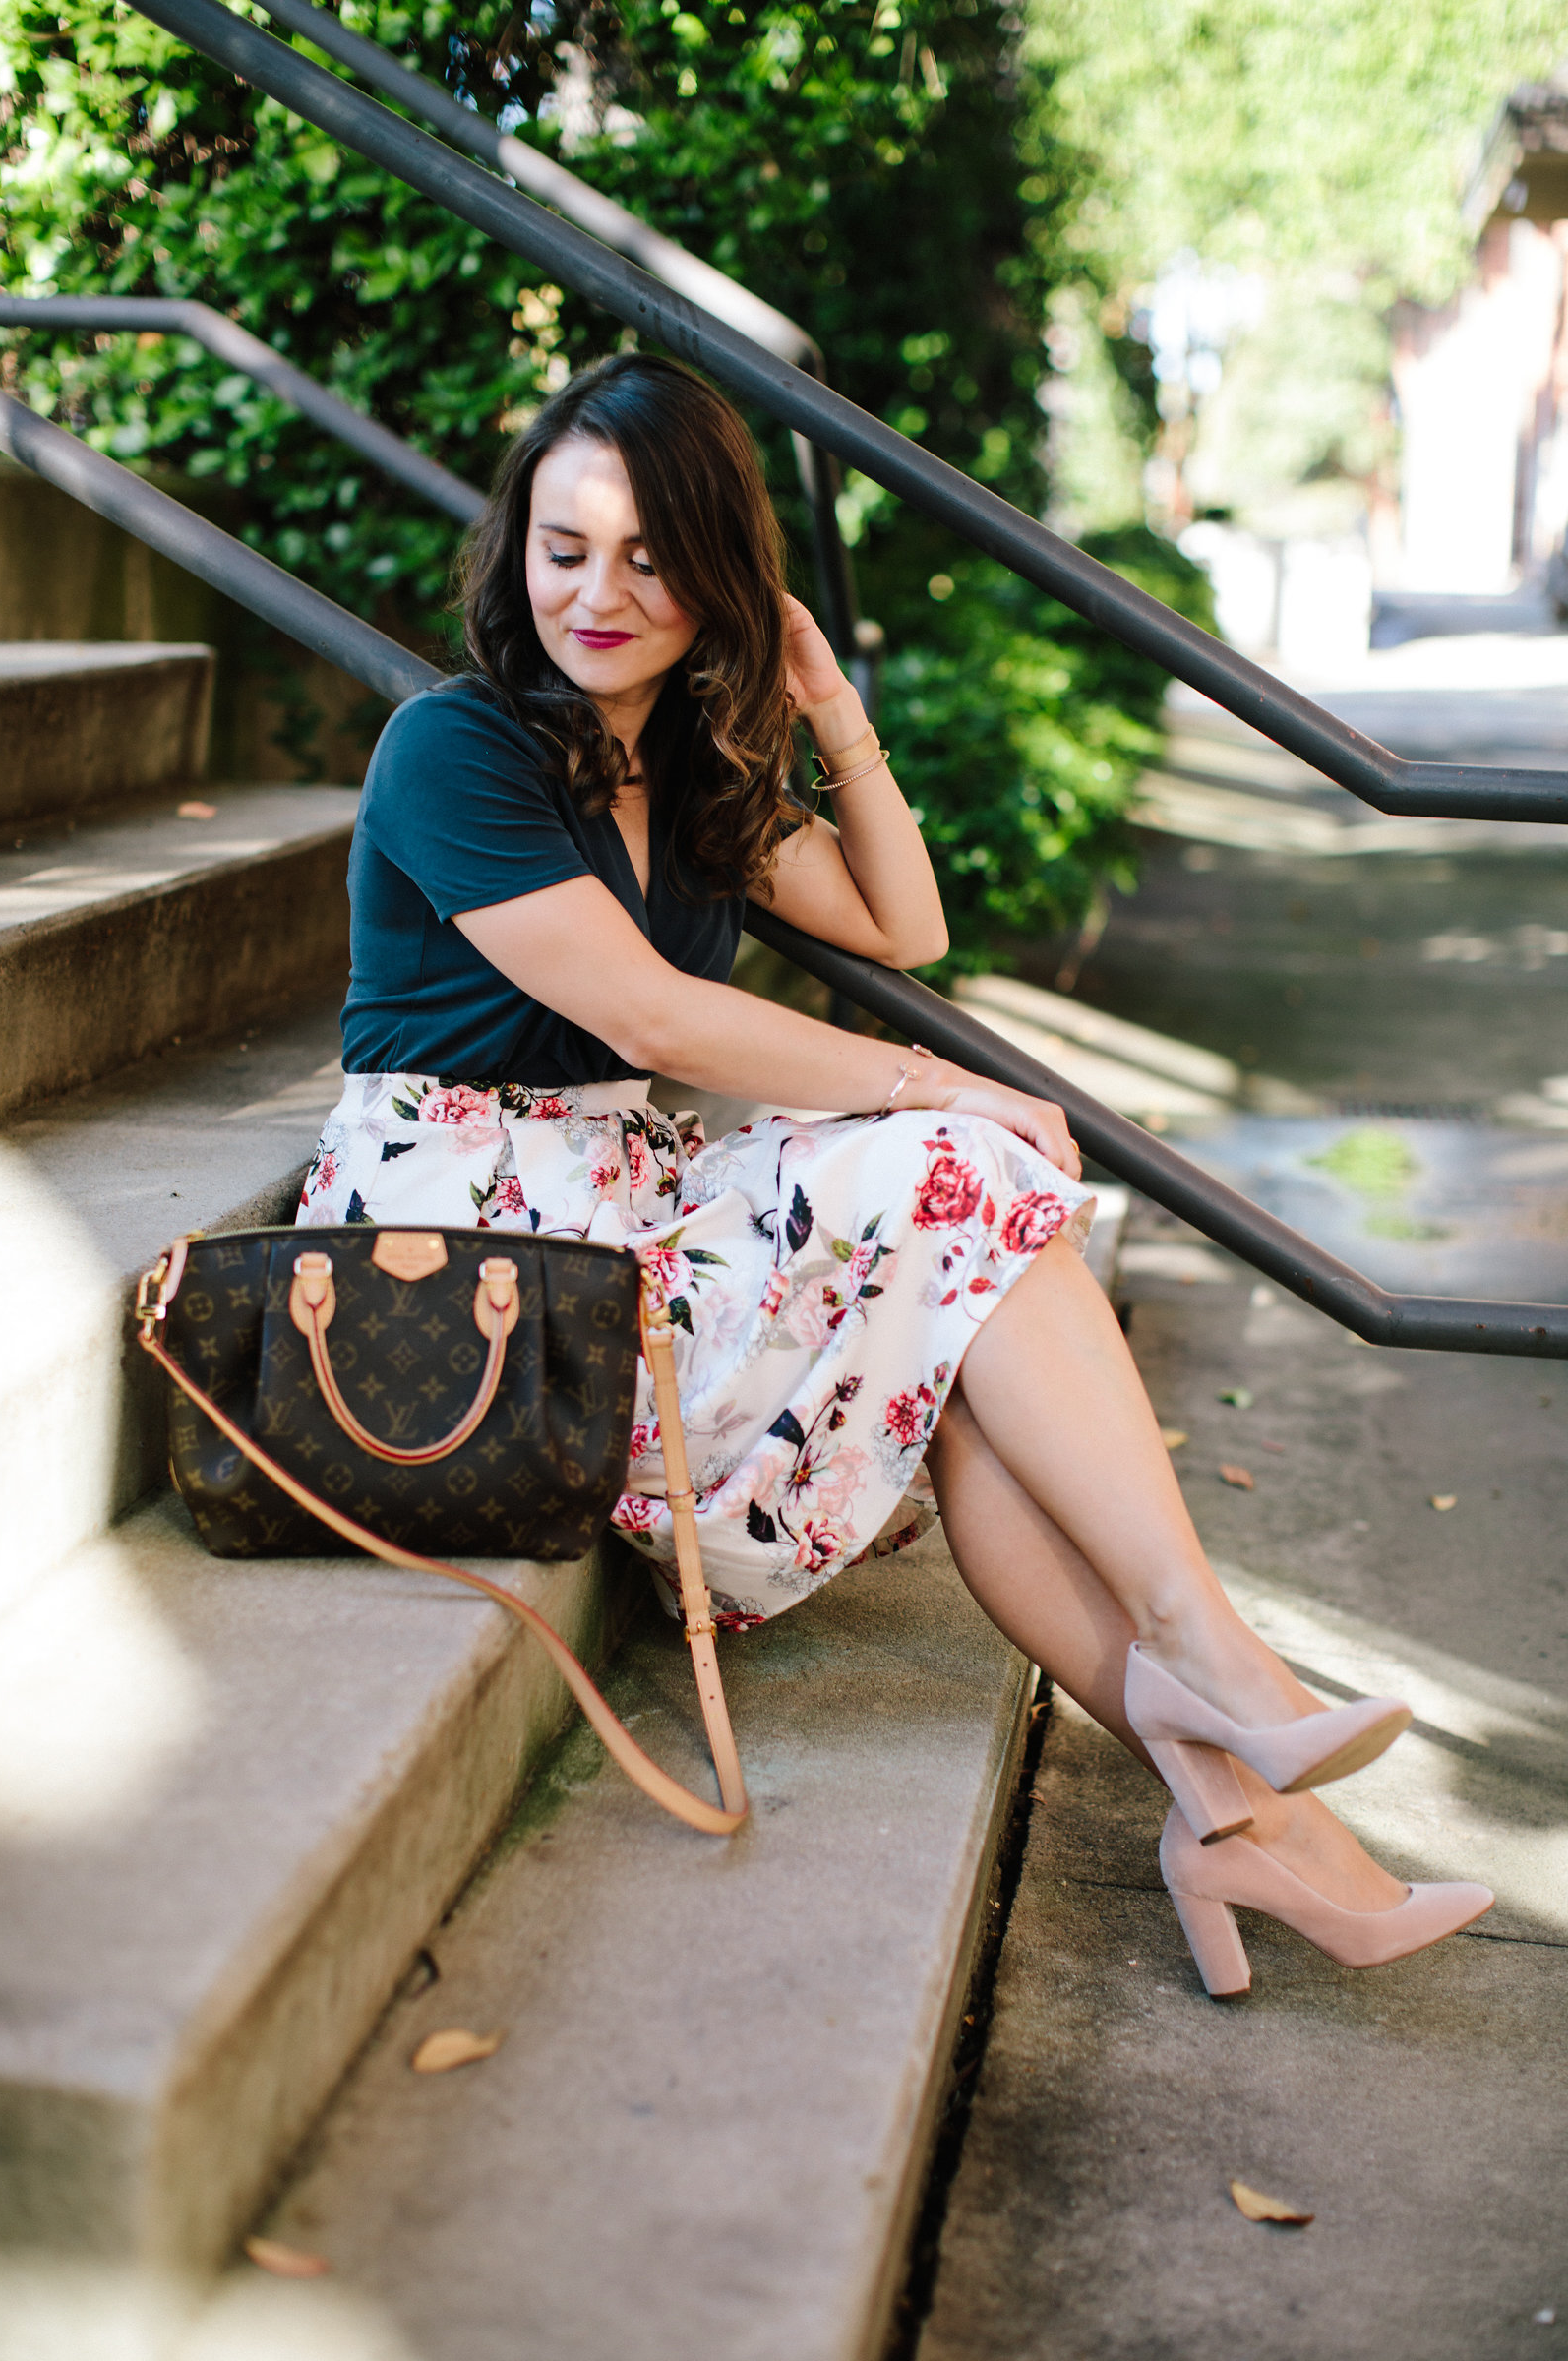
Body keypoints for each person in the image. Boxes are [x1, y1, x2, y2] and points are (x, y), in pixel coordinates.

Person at [299, 352, 1490, 1998]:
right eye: (564, 548)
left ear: (717, 571)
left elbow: (904, 929)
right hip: (470, 1249)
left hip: (618, 1205)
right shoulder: (458, 747)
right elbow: (648, 1011)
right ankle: (1227, 1704)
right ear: (514, 550)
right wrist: (949, 1083)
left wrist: (826, 707)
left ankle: (1242, 1804)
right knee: (956, 1180)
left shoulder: (693, 767)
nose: (597, 592)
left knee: (971, 1319)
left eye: (651, 557)